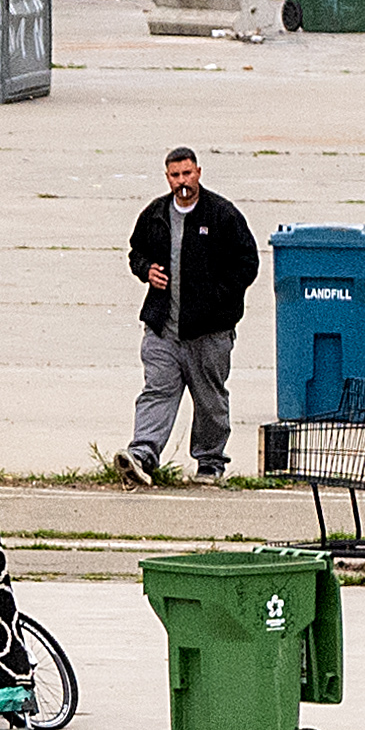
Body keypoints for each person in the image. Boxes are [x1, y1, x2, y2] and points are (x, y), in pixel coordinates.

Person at [118, 146, 259, 485]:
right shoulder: (155, 214)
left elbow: (247, 263)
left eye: (187, 174)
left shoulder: (222, 215)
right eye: (175, 175)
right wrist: (146, 270)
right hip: (162, 328)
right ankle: (142, 455)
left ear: (198, 172)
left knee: (209, 398)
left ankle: (210, 462)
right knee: (157, 391)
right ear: (167, 177)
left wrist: (219, 299)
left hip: (209, 333)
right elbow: (136, 251)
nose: (182, 181)